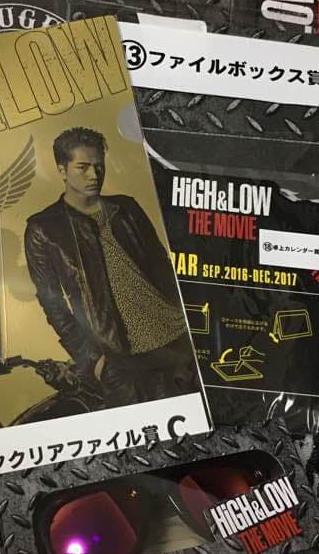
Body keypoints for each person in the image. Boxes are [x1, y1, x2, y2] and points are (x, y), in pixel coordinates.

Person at [24, 127, 197, 408]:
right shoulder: (43, 229)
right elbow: (51, 301)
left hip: (178, 335)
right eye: (82, 167)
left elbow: (162, 266)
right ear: (62, 170)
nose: (94, 175)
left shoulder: (126, 208)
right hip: (122, 355)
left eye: (99, 166)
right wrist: (92, 360)